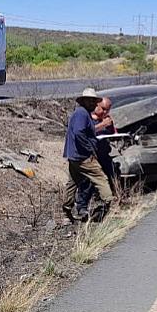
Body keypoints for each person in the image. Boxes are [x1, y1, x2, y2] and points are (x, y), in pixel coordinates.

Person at [63, 88, 114, 221]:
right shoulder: (82, 114)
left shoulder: (82, 113)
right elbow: (80, 132)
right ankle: (110, 203)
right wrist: (90, 149)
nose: (92, 103)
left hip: (74, 155)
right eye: (89, 100)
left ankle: (67, 207)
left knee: (73, 181)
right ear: (84, 101)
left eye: (94, 101)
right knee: (101, 178)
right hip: (82, 156)